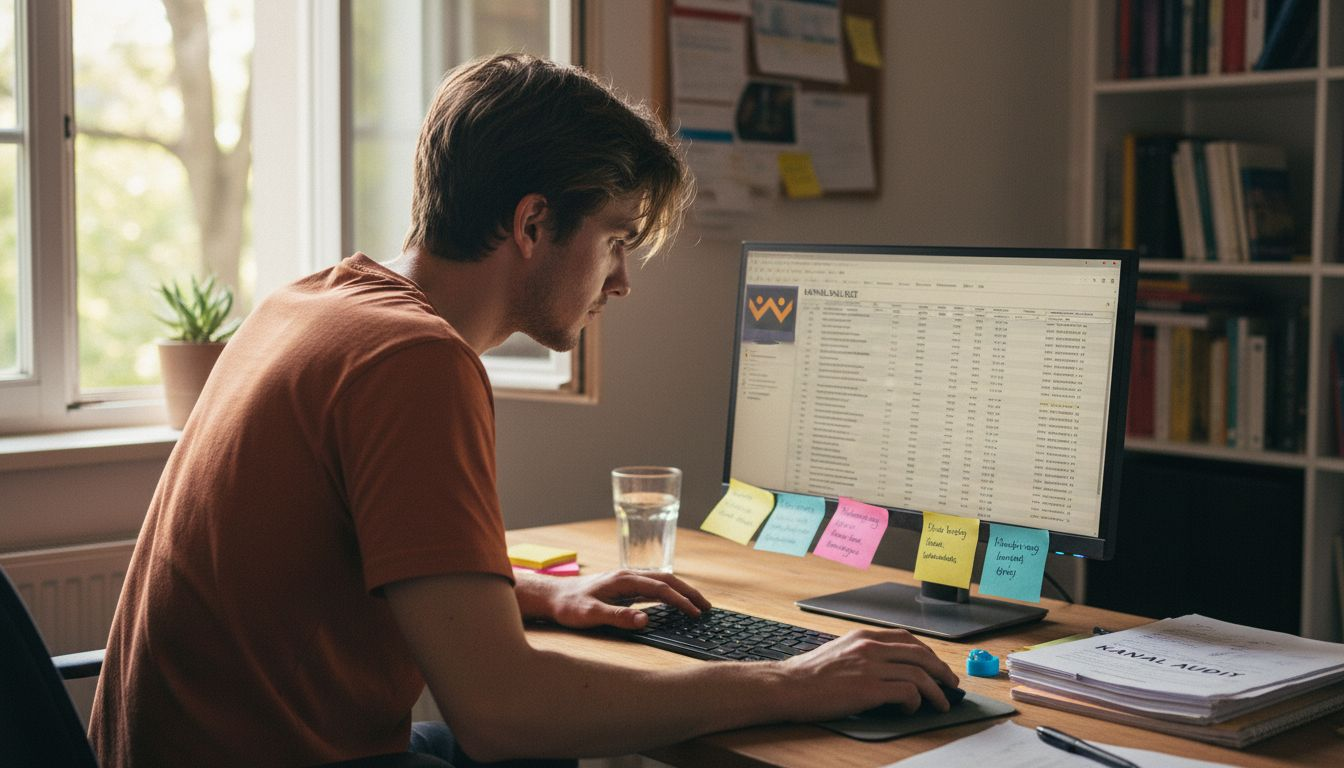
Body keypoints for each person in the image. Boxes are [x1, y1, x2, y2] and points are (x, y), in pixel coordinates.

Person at [89, 54, 957, 767]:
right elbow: (503, 715)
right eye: (615, 239)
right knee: (549, 740)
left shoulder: (316, 303)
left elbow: (360, 564)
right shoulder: (415, 361)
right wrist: (799, 681)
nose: (620, 281)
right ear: (534, 223)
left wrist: (542, 596)